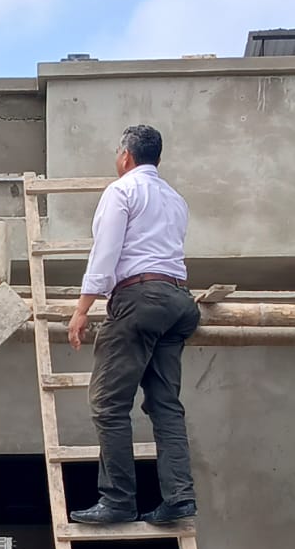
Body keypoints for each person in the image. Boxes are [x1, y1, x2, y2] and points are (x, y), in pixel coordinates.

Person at [67, 125, 200, 526]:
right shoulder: (175, 198)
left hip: (141, 299)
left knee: (108, 403)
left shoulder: (122, 190)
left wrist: (82, 308)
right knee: (165, 405)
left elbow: (105, 252)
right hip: (178, 301)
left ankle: (118, 500)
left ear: (126, 156)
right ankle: (179, 497)